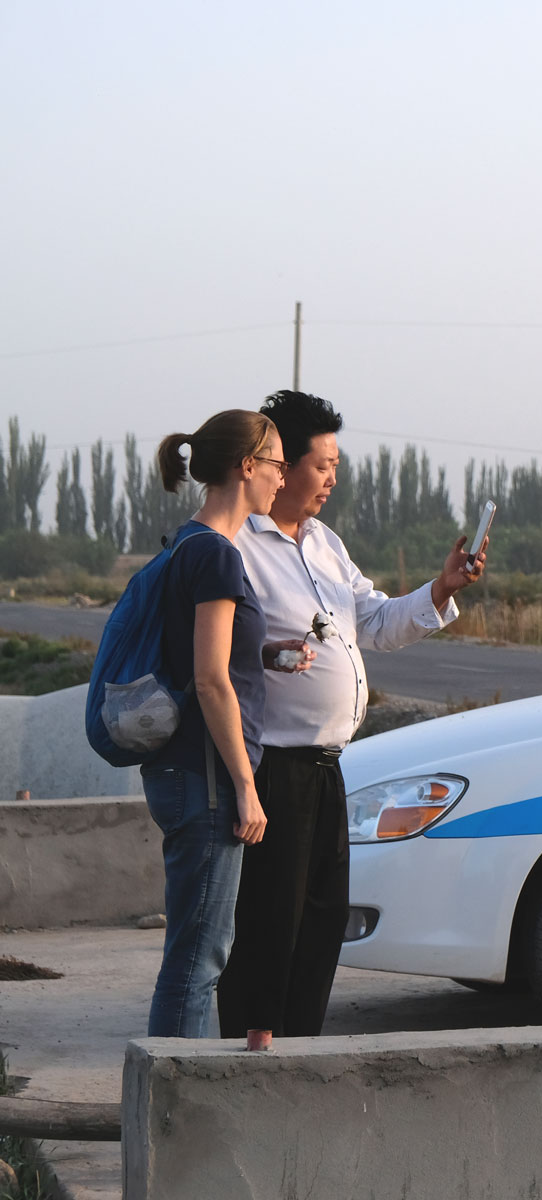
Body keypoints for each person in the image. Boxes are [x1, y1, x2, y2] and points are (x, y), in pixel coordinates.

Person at [217, 390, 487, 1039]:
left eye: (336, 466)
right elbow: (205, 654)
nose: (331, 479)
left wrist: (442, 587)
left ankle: (298, 1049)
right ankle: (247, 1054)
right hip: (270, 769)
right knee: (266, 928)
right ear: (276, 465)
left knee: (318, 922)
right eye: (320, 465)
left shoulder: (324, 545)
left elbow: (374, 621)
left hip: (325, 772)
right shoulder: (234, 548)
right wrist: (264, 653)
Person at [144, 409, 312, 1037]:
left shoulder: (185, 543)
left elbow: (199, 660)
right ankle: (174, 1115)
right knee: (199, 958)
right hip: (208, 775)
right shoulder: (216, 555)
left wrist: (262, 654)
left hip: (180, 770)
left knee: (193, 950)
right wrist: (246, 784)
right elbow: (211, 681)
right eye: (275, 464)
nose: (281, 478)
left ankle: (170, 1096)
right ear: (246, 467)